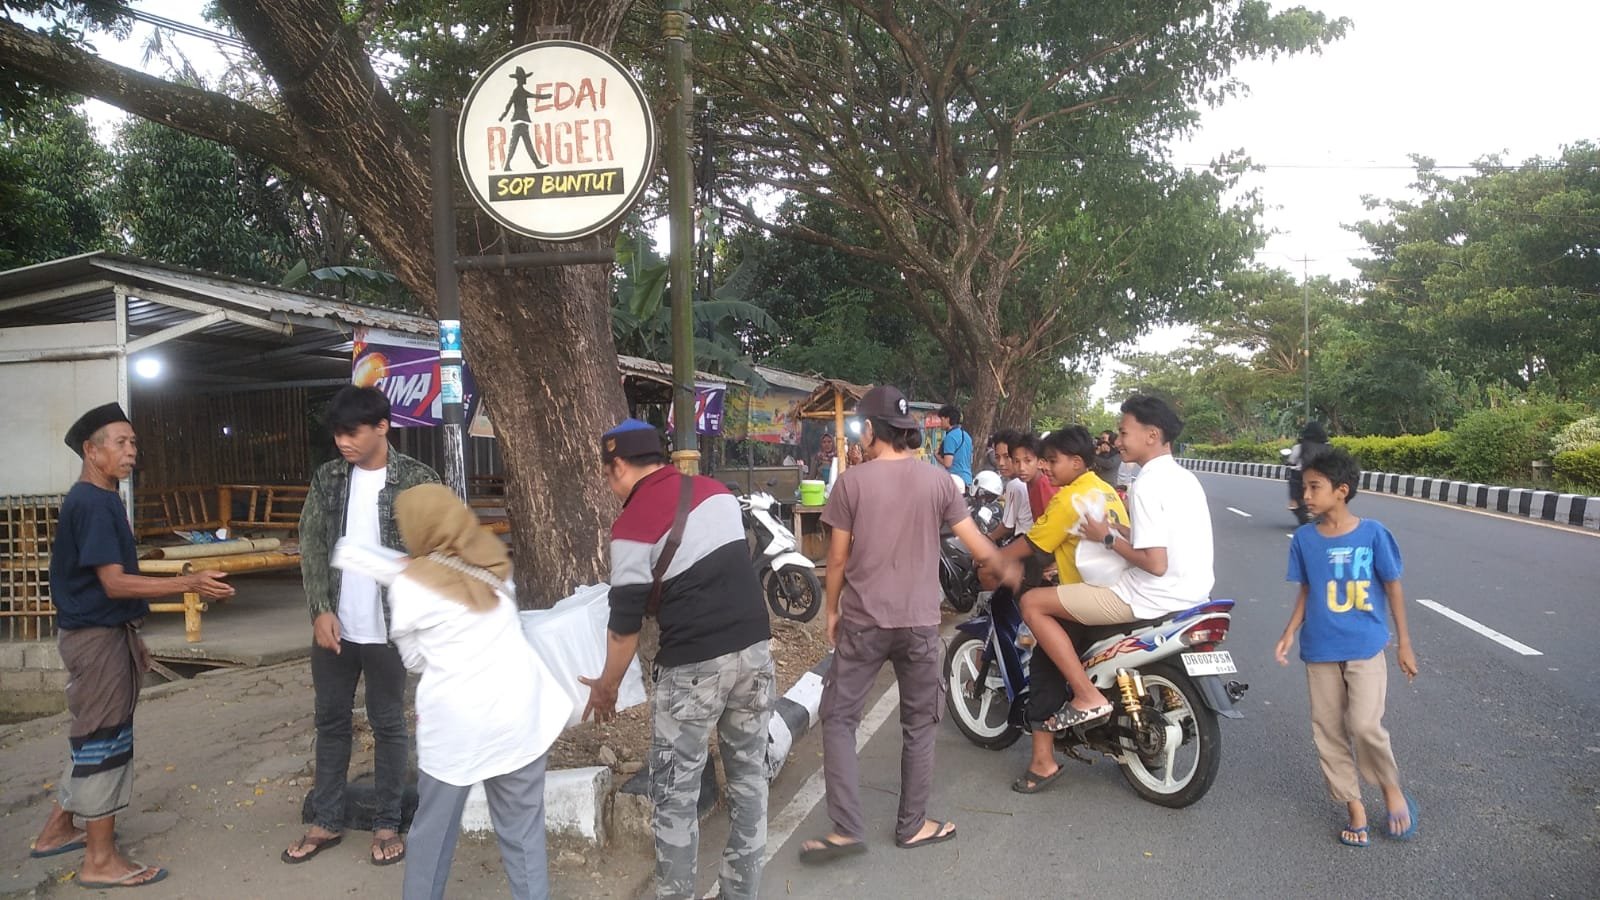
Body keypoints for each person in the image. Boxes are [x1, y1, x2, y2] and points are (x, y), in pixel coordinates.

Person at [799, 386, 1019, 863]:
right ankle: (913, 824)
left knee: (839, 718)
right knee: (919, 723)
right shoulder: (938, 482)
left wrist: (832, 611)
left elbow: (836, 560)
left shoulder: (851, 483)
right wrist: (1006, 568)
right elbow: (976, 543)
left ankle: (846, 829)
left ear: (870, 430)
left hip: (863, 621)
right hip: (919, 623)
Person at [28, 403, 234, 889]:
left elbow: (109, 587)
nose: (131, 451)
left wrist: (130, 635)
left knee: (95, 734)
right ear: (91, 451)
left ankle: (57, 829)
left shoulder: (102, 498)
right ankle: (99, 860)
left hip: (104, 633)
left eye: (134, 443)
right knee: (104, 740)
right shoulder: (93, 503)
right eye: (120, 443)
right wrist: (189, 582)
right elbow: (115, 583)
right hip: (94, 638)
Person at [581, 419, 773, 900]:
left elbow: (624, 628)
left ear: (618, 466)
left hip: (693, 666)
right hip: (755, 651)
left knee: (674, 798)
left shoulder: (632, 525)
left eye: (607, 471)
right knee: (750, 782)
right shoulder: (717, 494)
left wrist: (606, 687)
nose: (608, 482)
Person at [388, 484, 569, 899]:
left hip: (457, 727)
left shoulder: (409, 583)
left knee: (432, 838)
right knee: (523, 836)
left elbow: (414, 660)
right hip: (519, 716)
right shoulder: (492, 561)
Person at [285, 386, 440, 867]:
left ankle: (387, 822)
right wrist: (320, 610)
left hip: (391, 630)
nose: (343, 442)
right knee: (330, 721)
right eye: (337, 433)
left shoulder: (417, 480)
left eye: (352, 432)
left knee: (388, 723)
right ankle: (326, 820)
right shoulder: (329, 479)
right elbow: (312, 543)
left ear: (382, 427)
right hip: (336, 627)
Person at [1029, 396, 1214, 731]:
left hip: (1150, 596)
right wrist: (1123, 530)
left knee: (1032, 603)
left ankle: (1086, 695)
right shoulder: (1186, 478)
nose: (1117, 441)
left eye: (1124, 433)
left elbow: (1155, 563)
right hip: (1195, 595)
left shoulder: (1146, 483)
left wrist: (1107, 538)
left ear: (1152, 435)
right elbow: (1171, 539)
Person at [1273, 448, 1419, 847]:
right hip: (1320, 649)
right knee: (1329, 731)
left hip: (1366, 646)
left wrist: (1404, 644)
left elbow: (1393, 586)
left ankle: (1390, 788)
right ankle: (1354, 807)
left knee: (1364, 725)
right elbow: (1307, 589)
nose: (1306, 495)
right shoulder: (1304, 539)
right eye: (1304, 487)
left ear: (1341, 490)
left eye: (1314, 487)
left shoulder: (1373, 534)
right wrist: (1289, 632)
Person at [990, 426, 1128, 792]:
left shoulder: (1070, 497)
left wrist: (991, 558)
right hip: (1121, 590)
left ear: (1076, 462)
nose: (1044, 467)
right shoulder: (1104, 489)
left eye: (1052, 461)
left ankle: (1043, 762)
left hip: (1089, 595)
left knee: (1043, 663)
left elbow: (1032, 545)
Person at [988, 430, 1032, 542]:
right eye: (997, 457)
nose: (1001, 463)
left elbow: (1007, 526)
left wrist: (986, 539)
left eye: (1007, 456)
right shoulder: (1030, 481)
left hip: (1025, 542)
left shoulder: (1015, 485)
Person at [1010, 433, 1058, 521]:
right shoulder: (1031, 482)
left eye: (1028, 461)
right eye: (1016, 461)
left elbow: (1053, 520)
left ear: (1040, 463)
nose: (1021, 468)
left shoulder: (1044, 484)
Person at [1286, 421, 1331, 512]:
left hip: (1303, 474)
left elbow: (1292, 461)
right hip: (1322, 474)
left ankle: (1294, 502)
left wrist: (1289, 462)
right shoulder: (1327, 447)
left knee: (1293, 478)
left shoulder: (1300, 447)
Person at [936, 404, 974, 489]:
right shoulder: (966, 436)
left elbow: (947, 463)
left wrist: (936, 456)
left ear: (948, 419)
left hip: (956, 481)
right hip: (968, 479)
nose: (940, 423)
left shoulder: (950, 437)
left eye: (941, 419)